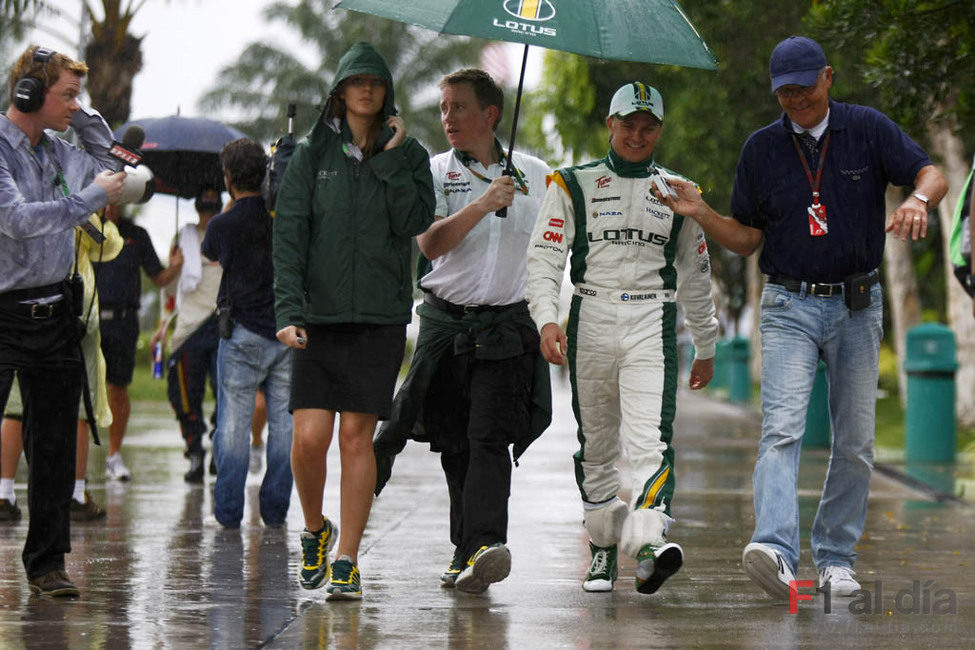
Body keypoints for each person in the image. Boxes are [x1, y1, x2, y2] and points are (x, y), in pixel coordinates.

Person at [656, 36, 948, 600]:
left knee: (857, 441)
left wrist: (919, 201)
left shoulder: (867, 128)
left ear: (828, 78)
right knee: (782, 428)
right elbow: (745, 240)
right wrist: (702, 213)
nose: (796, 101)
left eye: (804, 89)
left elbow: (929, 172)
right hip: (788, 304)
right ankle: (775, 551)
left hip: (858, 306)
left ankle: (837, 557)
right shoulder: (762, 149)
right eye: (784, 92)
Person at [526, 81, 718, 595]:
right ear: (610, 124)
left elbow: (696, 276)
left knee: (651, 440)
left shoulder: (682, 192)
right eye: (628, 123)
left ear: (659, 129)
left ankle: (650, 542)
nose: (637, 134)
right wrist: (546, 318)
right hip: (589, 314)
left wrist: (707, 344)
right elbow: (544, 259)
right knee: (597, 446)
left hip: (652, 321)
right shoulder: (570, 183)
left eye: (648, 125)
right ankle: (603, 549)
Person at [373, 68, 552, 594]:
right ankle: (463, 548)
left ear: (490, 114)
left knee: (489, 439)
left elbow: (550, 252)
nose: (447, 117)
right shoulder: (433, 171)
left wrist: (548, 318)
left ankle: (485, 546)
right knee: (451, 442)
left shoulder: (538, 176)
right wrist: (481, 204)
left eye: (458, 107)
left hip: (505, 328)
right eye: (444, 106)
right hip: (445, 324)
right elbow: (429, 245)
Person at [274, 42, 434, 600]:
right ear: (339, 91)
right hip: (316, 319)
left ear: (387, 91)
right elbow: (289, 235)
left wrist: (388, 158)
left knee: (355, 438)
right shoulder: (311, 155)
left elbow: (414, 221)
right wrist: (287, 310)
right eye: (355, 80)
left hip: (378, 319)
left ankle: (348, 558)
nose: (366, 88)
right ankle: (316, 531)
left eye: (376, 80)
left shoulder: (410, 156)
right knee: (308, 438)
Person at [0, 45, 126, 596]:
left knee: (52, 446)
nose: (74, 106)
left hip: (55, 313)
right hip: (2, 314)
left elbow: (115, 168)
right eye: (67, 95)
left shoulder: (56, 150)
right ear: (27, 93)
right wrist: (90, 199)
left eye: (79, 96)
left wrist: (89, 112)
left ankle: (48, 565)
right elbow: (17, 221)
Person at [1, 213, 124, 521]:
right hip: (72, 310)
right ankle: (75, 493)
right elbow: (106, 246)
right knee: (80, 402)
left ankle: (3, 494)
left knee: (16, 406)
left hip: (21, 304)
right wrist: (94, 211)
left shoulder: (19, 192)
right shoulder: (77, 198)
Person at [201, 139, 293, 530]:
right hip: (287, 334)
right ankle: (274, 511)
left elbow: (210, 252)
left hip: (240, 335)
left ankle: (228, 511)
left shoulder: (225, 223)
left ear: (228, 178)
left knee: (234, 427)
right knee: (284, 428)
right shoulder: (283, 218)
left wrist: (231, 204)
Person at [93, 203, 183, 481]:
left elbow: (159, 277)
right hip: (90, 320)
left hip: (123, 321)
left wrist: (176, 264)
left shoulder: (136, 234)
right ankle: (73, 464)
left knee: (118, 388)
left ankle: (114, 455)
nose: (109, 206)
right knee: (81, 389)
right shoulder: (84, 229)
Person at [150, 188, 224, 482]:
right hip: (190, 326)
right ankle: (194, 451)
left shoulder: (228, 233)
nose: (208, 213)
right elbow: (168, 289)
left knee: (226, 392)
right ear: (196, 208)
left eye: (212, 207)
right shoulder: (183, 239)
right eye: (204, 207)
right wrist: (163, 325)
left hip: (222, 322)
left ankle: (221, 448)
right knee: (183, 394)